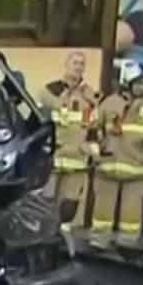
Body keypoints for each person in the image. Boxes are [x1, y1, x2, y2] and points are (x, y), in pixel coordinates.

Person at [89, 73, 143, 250]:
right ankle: (98, 241)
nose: (141, 87)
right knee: (102, 210)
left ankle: (127, 243)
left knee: (131, 213)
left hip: (138, 167)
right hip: (107, 166)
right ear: (128, 83)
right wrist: (94, 150)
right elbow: (93, 127)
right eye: (137, 83)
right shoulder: (110, 102)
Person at [41, 51, 98, 234]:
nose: (78, 66)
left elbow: (95, 123)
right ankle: (43, 230)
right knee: (46, 196)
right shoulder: (50, 90)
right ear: (66, 65)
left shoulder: (90, 96)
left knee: (70, 200)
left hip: (77, 158)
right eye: (75, 62)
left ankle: (60, 234)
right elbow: (42, 119)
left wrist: (92, 144)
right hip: (55, 155)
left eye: (82, 63)